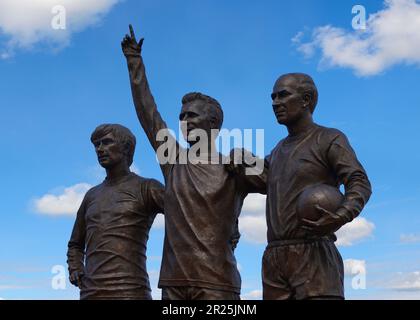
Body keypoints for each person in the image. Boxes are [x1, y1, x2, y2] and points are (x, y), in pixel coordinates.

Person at [121, 25, 266, 300]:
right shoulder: (173, 160)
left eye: (191, 116)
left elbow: (278, 183)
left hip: (217, 284)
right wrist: (134, 62)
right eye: (182, 117)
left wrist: (250, 160)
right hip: (174, 282)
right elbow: (147, 113)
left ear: (213, 123)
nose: (184, 122)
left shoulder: (234, 166)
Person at [263, 73, 372, 300]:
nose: (275, 103)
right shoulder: (276, 152)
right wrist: (237, 159)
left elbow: (359, 181)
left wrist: (341, 215)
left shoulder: (329, 138)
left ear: (306, 99)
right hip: (275, 257)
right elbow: (254, 175)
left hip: (314, 255)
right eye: (273, 97)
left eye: (283, 95)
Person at [67, 124, 164, 300]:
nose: (100, 149)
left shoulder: (148, 188)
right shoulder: (91, 195)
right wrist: (75, 268)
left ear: (126, 147)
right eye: (97, 145)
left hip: (132, 291)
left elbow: (186, 215)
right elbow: (75, 244)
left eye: (106, 142)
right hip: (91, 293)